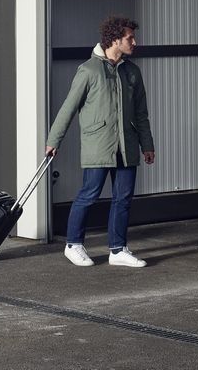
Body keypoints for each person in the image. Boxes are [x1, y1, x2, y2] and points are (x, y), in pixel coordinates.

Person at [45, 15, 155, 268]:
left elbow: (141, 113)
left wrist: (146, 145)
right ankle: (73, 245)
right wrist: (54, 140)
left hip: (126, 145)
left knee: (123, 198)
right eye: (129, 38)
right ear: (115, 40)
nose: (134, 42)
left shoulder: (132, 72)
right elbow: (68, 108)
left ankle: (118, 250)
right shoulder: (88, 70)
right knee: (89, 194)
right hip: (98, 145)